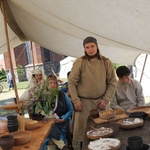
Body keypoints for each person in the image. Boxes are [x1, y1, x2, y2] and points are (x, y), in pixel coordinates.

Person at [68, 36, 117, 147]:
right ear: (84, 49)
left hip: (102, 104)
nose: (90, 49)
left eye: (92, 46)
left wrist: (105, 100)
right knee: (83, 135)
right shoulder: (80, 62)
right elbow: (71, 82)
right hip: (84, 104)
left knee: (105, 133)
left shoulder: (106, 62)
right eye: (87, 47)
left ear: (97, 46)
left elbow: (113, 82)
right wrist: (76, 100)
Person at [41, 75, 73, 150]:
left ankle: (60, 146)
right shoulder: (43, 97)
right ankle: (62, 146)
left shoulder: (62, 95)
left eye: (55, 83)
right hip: (48, 124)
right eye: (51, 83)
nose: (53, 85)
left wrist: (63, 118)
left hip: (60, 123)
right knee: (50, 127)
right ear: (46, 85)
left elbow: (70, 109)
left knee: (50, 134)